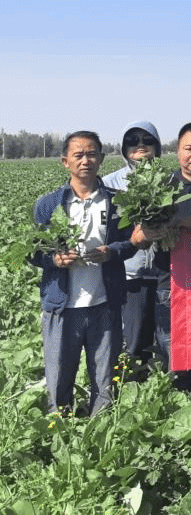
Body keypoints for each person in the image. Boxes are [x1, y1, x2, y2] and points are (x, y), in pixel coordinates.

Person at [33, 131, 135, 415]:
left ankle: (101, 427)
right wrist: (55, 259)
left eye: (91, 154)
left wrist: (111, 251)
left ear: (101, 159)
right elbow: (32, 251)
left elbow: (131, 243)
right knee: (59, 376)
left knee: (105, 378)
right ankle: (60, 425)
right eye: (78, 155)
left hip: (105, 303)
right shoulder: (48, 204)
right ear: (65, 161)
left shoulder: (118, 201)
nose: (85, 160)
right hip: (62, 305)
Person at [132, 121, 191, 387]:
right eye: (189, 148)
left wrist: (182, 222)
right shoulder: (161, 187)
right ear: (177, 151)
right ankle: (183, 399)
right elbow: (138, 239)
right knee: (176, 351)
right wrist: (153, 230)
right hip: (172, 283)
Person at [102, 121, 162, 368]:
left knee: (167, 339)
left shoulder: (169, 181)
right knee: (135, 340)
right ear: (124, 148)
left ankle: (166, 382)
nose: (140, 145)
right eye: (132, 141)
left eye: (147, 140)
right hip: (130, 273)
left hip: (165, 273)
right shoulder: (108, 184)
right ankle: (133, 382)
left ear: (157, 146)